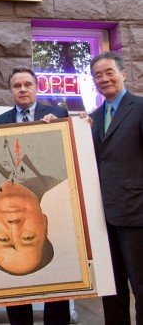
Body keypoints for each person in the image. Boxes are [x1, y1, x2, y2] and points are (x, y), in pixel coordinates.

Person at [0, 66, 70, 325]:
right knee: (17, 288)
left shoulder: (58, 114)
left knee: (56, 279)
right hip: (14, 195)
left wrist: (59, 128)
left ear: (37, 87)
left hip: (52, 197)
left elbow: (67, 152)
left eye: (28, 84)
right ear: (11, 90)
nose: (22, 89)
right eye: (17, 85)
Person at [88, 51, 143, 325]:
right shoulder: (94, 118)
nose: (104, 79)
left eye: (109, 72)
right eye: (97, 75)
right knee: (112, 290)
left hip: (137, 214)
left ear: (123, 74)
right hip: (103, 219)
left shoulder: (140, 107)